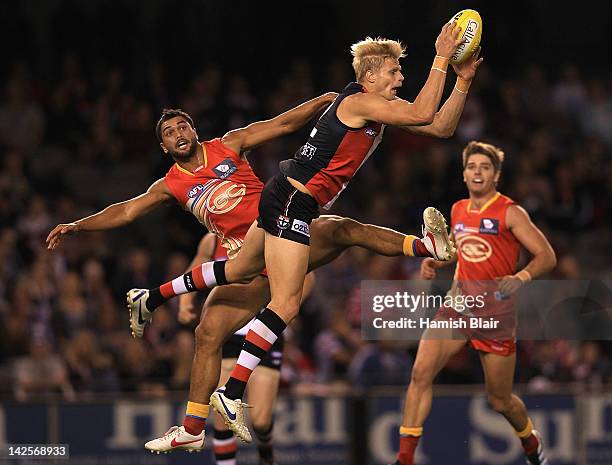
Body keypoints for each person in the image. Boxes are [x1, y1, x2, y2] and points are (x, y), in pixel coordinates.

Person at [47, 98, 456, 452]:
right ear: (164, 145)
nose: (178, 133)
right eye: (170, 132)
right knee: (207, 334)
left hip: (281, 235)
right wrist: (77, 226)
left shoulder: (228, 144)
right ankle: (192, 429)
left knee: (342, 230)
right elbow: (125, 210)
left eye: (182, 125)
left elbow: (282, 124)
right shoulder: (169, 185)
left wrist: (326, 104)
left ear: (194, 129)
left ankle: (425, 246)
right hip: (246, 268)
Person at [205, 28, 482, 440]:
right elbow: (424, 113)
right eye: (394, 72)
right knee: (287, 301)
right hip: (291, 201)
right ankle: (230, 392)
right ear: (370, 77)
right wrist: (440, 58)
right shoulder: (357, 101)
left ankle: (154, 296)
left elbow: (440, 127)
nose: (400, 79)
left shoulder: (374, 106)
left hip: (295, 201)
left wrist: (462, 80)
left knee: (254, 264)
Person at [391, 141, 557, 465]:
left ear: (496, 175)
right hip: (457, 306)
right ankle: (404, 459)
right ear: (464, 175)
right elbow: (456, 248)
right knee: (421, 373)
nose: (477, 172)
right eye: (471, 167)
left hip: (495, 314)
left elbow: (547, 256)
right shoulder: (458, 209)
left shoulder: (510, 211)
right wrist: (435, 261)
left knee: (500, 400)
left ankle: (530, 443)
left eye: (484, 167)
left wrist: (521, 278)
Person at [179, 233, 310, 465]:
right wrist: (185, 301)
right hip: (227, 334)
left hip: (264, 333)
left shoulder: (276, 233)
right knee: (221, 415)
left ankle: (266, 450)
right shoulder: (213, 239)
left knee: (260, 421)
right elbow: (196, 268)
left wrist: (290, 301)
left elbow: (308, 271)